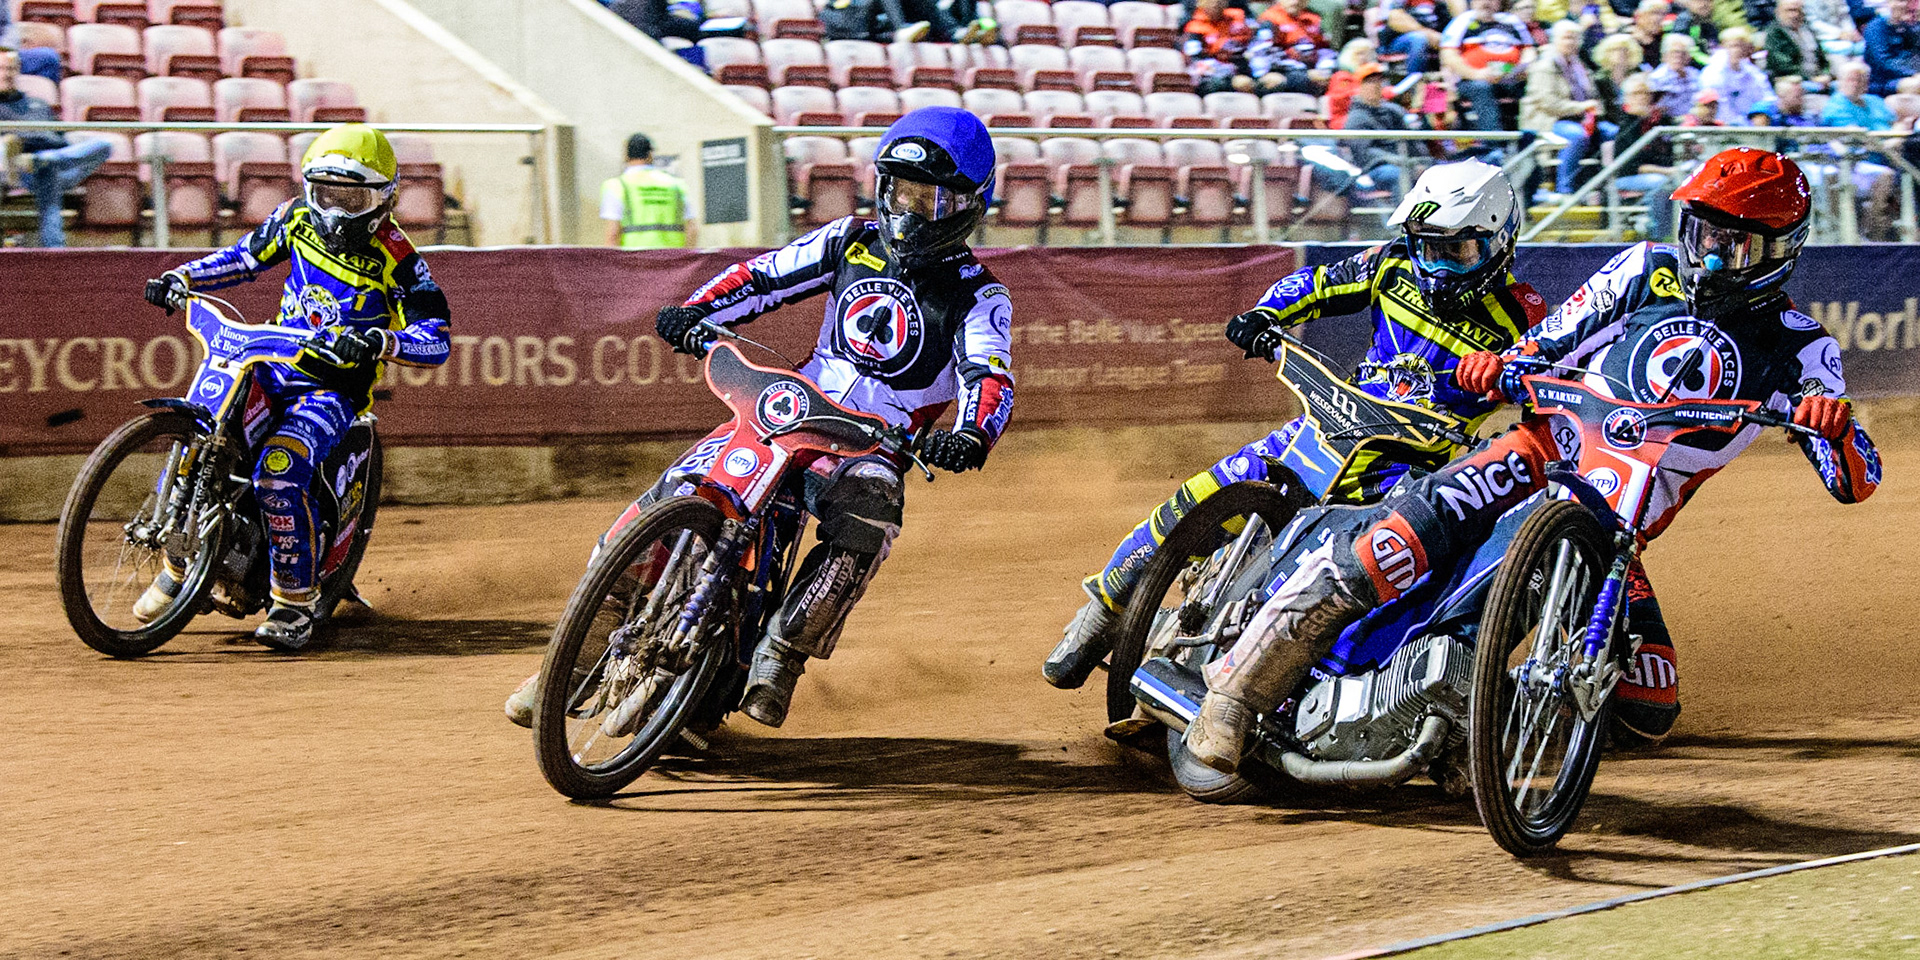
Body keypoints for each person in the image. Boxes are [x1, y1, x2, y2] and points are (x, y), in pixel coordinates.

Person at [1178, 147, 1881, 773]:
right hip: (1541, 452)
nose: (1712, 256)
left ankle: (1471, 716)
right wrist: (1505, 366)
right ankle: (1238, 694)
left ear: (1782, 248)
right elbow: (1553, 336)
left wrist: (1835, 426)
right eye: (1703, 235)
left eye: (1735, 244)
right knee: (1407, 535)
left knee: (1649, 705)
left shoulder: (1802, 346)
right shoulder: (1644, 268)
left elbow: (1855, 482)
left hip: (1616, 528)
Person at [506, 107, 1014, 729]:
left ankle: (781, 654)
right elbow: (762, 277)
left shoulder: (979, 292)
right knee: (675, 490)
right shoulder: (849, 238)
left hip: (874, 444)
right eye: (898, 191)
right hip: (790, 407)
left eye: (927, 199)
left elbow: (988, 374)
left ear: (966, 205)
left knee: (869, 519)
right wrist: (695, 311)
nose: (907, 211)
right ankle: (572, 658)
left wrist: (969, 434)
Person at [1043, 160, 1547, 691]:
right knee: (1194, 499)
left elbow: (1544, 390)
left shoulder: (1524, 313)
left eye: (1458, 251)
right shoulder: (1393, 265)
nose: (1440, 267)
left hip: (1412, 470)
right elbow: (1316, 283)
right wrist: (1266, 315)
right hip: (1325, 425)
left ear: (1499, 242)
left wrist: (1509, 380)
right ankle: (1101, 614)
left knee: (1357, 585)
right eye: (1429, 248)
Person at [135, 124, 452, 650]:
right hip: (272, 362)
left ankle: (293, 604)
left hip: (331, 392)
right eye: (325, 193)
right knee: (206, 428)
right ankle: (175, 564)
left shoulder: (400, 257)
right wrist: (182, 277)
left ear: (384, 199)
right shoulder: (294, 217)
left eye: (351, 198)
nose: (334, 210)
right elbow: (241, 259)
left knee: (278, 474)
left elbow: (435, 338)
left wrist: (379, 342)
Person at [0, 47, 111, 248]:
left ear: (18, 71)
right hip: (21, 171)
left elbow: (61, 138)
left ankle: (46, 159)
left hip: (61, 162)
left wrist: (58, 155)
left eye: (10, 68)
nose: (5, 74)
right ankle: (55, 250)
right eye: (1, 69)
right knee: (46, 173)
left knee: (104, 145)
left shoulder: (37, 104)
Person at [1523, 20, 1614, 196]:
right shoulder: (1545, 66)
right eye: (1566, 38)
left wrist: (1594, 109)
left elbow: (1593, 96)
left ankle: (1607, 186)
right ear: (1555, 40)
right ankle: (1565, 189)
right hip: (1549, 120)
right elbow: (1548, 103)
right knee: (1575, 136)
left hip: (1579, 118)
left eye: (1575, 38)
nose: (1571, 42)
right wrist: (1581, 107)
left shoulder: (1580, 66)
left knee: (1611, 131)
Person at [1443, 0, 1539, 131]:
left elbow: (1529, 50)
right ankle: (1493, 142)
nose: (1486, 2)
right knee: (1481, 88)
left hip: (1511, 77)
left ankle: (1532, 136)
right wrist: (1476, 74)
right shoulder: (1463, 21)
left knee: (1537, 84)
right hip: (1472, 80)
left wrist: (1522, 68)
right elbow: (1449, 55)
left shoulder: (1512, 21)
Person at [1611, 73, 1682, 238]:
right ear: (1627, 98)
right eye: (1636, 94)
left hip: (1662, 172)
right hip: (1629, 176)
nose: (1642, 98)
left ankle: (1680, 232)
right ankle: (1659, 234)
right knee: (1662, 183)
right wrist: (1666, 171)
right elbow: (1629, 165)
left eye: (1646, 93)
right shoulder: (1626, 123)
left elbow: (1668, 153)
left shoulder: (1660, 121)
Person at [601, 133, 697, 249]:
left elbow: (613, 234)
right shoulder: (676, 185)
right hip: (672, 262)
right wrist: (684, 259)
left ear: (626, 156)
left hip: (635, 262)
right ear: (650, 155)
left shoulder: (617, 186)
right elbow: (692, 229)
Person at [1699, 26, 1773, 122]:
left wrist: (1759, 114)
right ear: (1723, 46)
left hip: (1749, 125)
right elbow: (1711, 102)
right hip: (1720, 125)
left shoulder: (1753, 72)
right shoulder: (1712, 72)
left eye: (1741, 46)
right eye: (1733, 46)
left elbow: (1767, 97)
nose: (1737, 50)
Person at [1378, 0, 1458, 73]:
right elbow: (1395, 20)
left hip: (1436, 39)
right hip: (1398, 41)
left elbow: (1457, 22)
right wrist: (1428, 34)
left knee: (1454, 41)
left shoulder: (1439, 3)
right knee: (1418, 39)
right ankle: (1416, 82)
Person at [1766, 0, 1831, 88]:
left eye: (1798, 10)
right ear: (1778, 12)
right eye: (1789, 10)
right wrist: (1811, 78)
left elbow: (1823, 59)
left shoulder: (1807, 29)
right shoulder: (1775, 34)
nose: (1794, 15)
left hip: (1819, 77)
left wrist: (1825, 74)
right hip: (1794, 81)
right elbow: (1783, 66)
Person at [1863, 0, 1920, 96]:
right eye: (1900, 1)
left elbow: (1915, 55)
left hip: (1909, 75)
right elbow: (1884, 61)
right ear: (1889, 3)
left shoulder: (1908, 28)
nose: (1904, 5)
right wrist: (1913, 73)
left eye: (1907, 1)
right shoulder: (1876, 28)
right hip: (1883, 81)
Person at [1647, 33, 1702, 116]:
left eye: (1683, 53)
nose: (1678, 56)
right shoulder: (1657, 78)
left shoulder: (1695, 75)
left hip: (1693, 122)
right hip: (1668, 122)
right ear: (1665, 55)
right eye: (1674, 52)